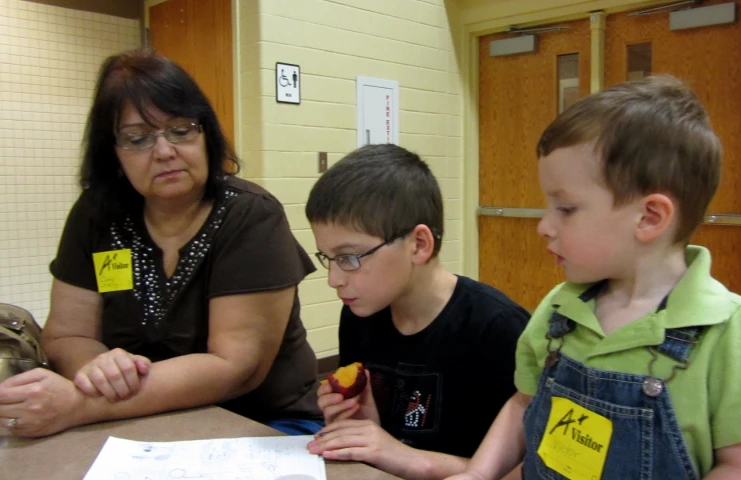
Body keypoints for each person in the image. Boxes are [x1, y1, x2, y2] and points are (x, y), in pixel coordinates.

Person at [447, 76, 741, 480]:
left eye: (565, 208)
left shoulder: (728, 330)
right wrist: (478, 474)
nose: (544, 226)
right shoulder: (560, 309)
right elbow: (523, 404)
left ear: (649, 218)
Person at [0, 48, 323, 437]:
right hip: (137, 417)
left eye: (181, 130)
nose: (165, 151)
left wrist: (81, 404)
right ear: (113, 153)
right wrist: (100, 367)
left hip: (263, 422)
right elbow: (68, 334)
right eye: (137, 139)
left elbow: (236, 367)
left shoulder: (250, 215)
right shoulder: (96, 216)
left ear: (205, 134)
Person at [303, 144, 530, 480]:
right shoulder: (359, 315)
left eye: (349, 258)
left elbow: (530, 472)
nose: (333, 280)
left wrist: (409, 458)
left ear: (419, 245)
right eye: (328, 258)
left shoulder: (497, 329)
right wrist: (360, 426)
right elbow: (382, 447)